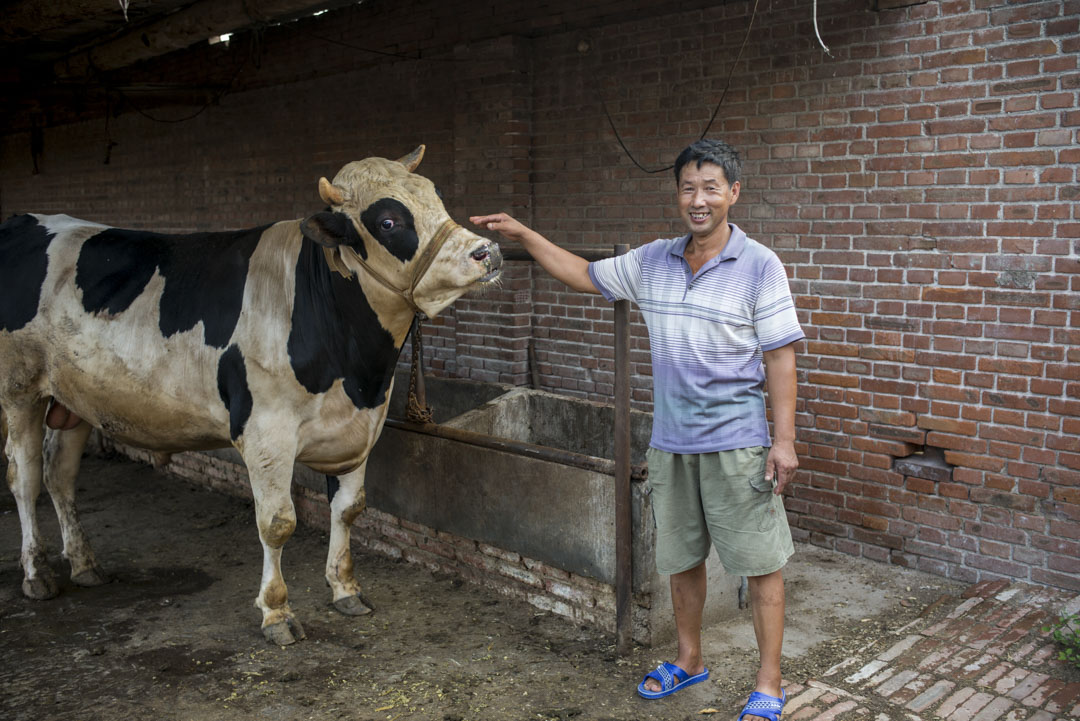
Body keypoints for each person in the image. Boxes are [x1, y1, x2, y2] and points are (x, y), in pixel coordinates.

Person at [470, 138, 802, 721]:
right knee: (681, 558)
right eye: (688, 189)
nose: (698, 200)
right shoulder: (653, 261)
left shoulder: (760, 265)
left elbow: (781, 356)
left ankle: (769, 683)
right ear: (678, 195)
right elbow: (581, 272)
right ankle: (689, 658)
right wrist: (525, 235)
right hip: (672, 444)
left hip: (738, 443)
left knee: (760, 562)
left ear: (734, 193)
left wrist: (784, 440)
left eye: (710, 188)